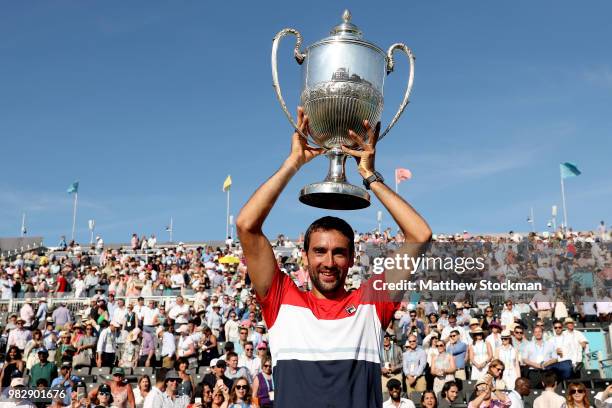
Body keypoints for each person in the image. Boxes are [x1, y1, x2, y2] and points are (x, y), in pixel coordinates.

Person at [236, 109, 431, 407]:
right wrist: (293, 163)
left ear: (352, 258)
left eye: (339, 252)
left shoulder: (371, 303)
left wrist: (369, 175)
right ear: (305, 257)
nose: (328, 262)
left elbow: (419, 235)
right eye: (320, 251)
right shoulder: (281, 299)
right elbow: (246, 225)